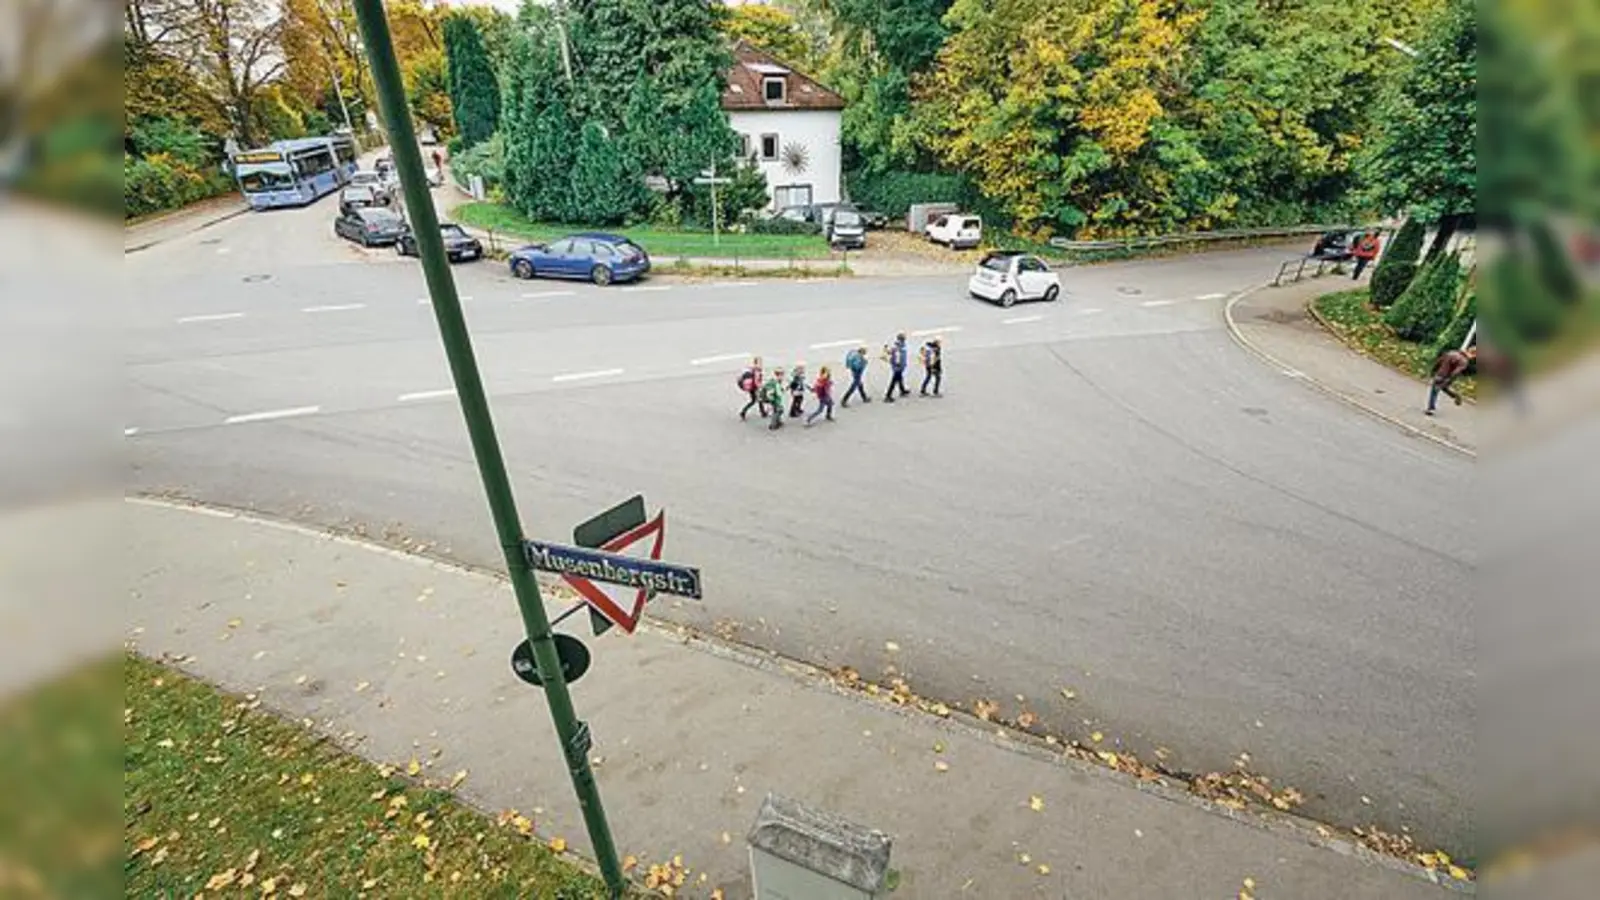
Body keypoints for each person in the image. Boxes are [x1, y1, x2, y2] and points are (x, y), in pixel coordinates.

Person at [1426, 346, 1475, 415]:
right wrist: (1447, 380)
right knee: (1440, 388)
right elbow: (1456, 373)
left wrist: (1433, 371)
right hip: (1447, 377)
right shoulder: (1464, 361)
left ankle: (1431, 408)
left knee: (1435, 390)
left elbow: (1439, 361)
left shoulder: (1451, 352)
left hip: (1440, 374)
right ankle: (1455, 395)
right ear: (1473, 354)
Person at [883, 333, 910, 403]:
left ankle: (902, 390)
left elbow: (890, 352)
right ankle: (888, 395)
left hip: (899, 366)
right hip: (898, 367)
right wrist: (898, 366)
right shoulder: (899, 347)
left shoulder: (898, 345)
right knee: (894, 381)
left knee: (900, 378)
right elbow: (898, 357)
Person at [738, 356, 766, 421]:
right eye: (760, 363)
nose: (761, 364)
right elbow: (756, 381)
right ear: (756, 363)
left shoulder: (752, 369)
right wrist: (761, 386)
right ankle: (743, 412)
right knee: (755, 400)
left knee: (758, 400)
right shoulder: (757, 371)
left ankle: (763, 412)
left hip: (752, 388)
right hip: (754, 388)